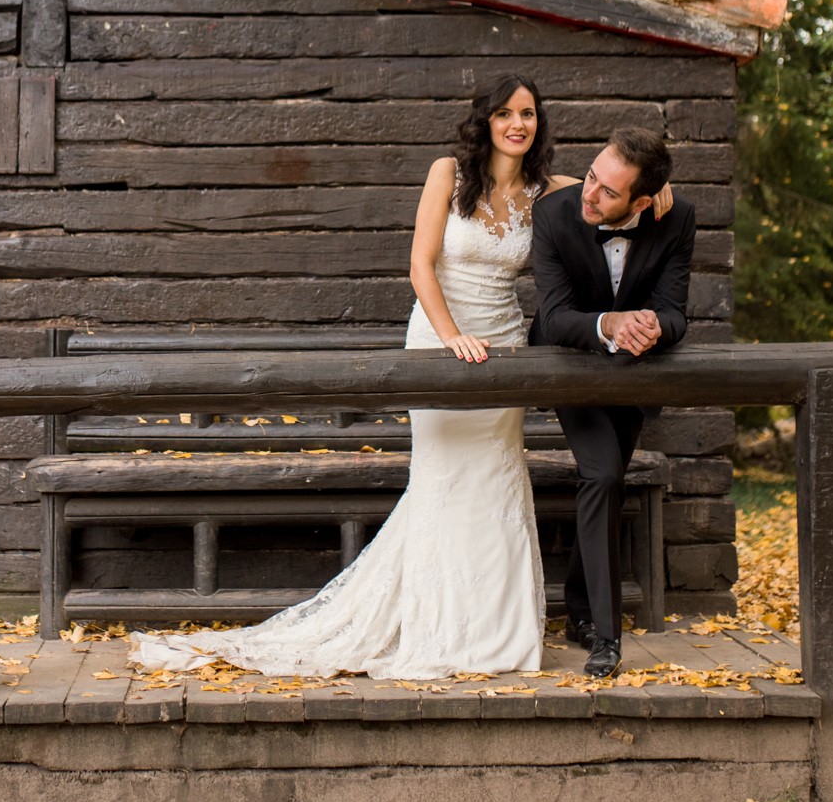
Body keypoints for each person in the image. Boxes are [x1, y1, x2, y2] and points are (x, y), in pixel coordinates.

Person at [126, 74, 557, 679]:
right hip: (440, 341)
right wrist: (451, 334)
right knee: (443, 483)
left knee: (495, 482)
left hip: (504, 349)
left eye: (529, 114)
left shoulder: (544, 190)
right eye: (507, 113)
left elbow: (607, 188)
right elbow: (420, 264)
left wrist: (658, 189)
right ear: (484, 120)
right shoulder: (449, 174)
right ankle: (436, 626)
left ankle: (495, 634)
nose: (518, 124)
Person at [529, 126, 695, 677]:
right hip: (570, 364)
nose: (590, 194)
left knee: (609, 481)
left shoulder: (675, 217)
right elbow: (552, 318)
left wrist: (653, 326)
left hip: (634, 373)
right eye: (591, 176)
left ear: (643, 201)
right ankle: (606, 636)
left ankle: (579, 610)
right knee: (602, 477)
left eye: (607, 191)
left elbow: (675, 311)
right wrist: (609, 323)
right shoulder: (553, 215)